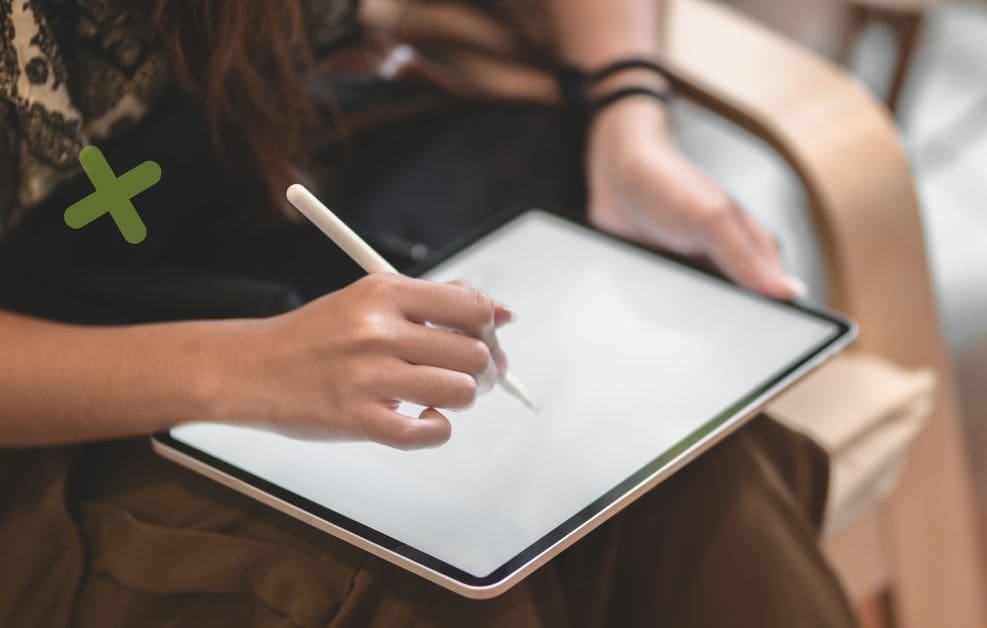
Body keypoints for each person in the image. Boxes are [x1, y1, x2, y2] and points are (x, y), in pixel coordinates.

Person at [0, 1, 857, 626]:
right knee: (433, 585)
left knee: (686, 472)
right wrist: (236, 369)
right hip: (61, 396)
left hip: (289, 193)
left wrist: (626, 122)